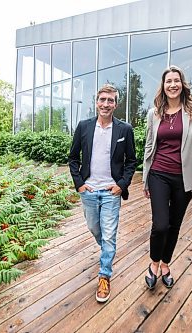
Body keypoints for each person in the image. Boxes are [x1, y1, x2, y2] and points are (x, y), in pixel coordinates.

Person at [142, 65, 192, 289]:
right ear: (163, 86)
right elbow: (149, 145)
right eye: (168, 81)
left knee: (174, 224)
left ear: (182, 84)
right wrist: (145, 178)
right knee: (160, 224)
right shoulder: (154, 113)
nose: (173, 84)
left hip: (184, 178)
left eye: (176, 80)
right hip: (158, 174)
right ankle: (153, 263)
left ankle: (165, 264)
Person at [68, 84, 137, 303]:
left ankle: (104, 275)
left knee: (109, 235)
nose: (106, 104)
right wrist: (79, 184)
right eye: (102, 99)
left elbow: (131, 161)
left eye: (110, 100)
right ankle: (108, 251)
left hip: (111, 192)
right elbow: (73, 158)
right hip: (88, 190)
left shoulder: (124, 130)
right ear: (96, 102)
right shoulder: (84, 126)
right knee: (94, 229)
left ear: (116, 104)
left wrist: (121, 185)